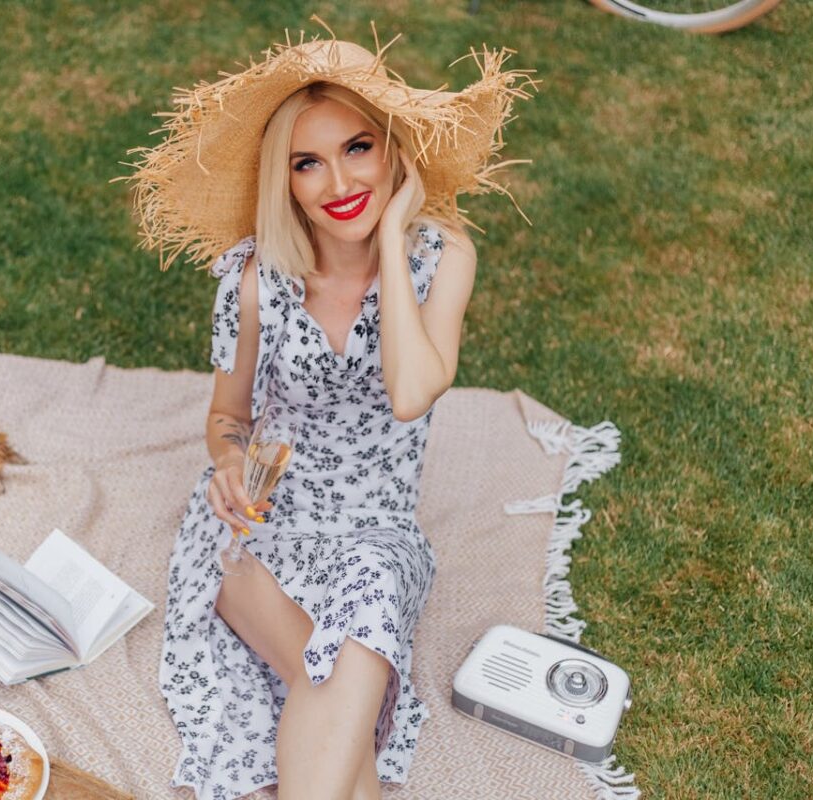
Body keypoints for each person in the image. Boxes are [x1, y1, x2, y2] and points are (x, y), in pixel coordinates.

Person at [126, 30, 533, 800]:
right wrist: (224, 467)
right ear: (285, 181)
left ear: (394, 153)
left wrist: (384, 245)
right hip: (266, 516)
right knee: (347, 689)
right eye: (307, 162)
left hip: (376, 527)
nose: (338, 180)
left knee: (367, 609)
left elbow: (414, 391)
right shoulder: (254, 279)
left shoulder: (442, 258)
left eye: (358, 148)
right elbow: (227, 416)